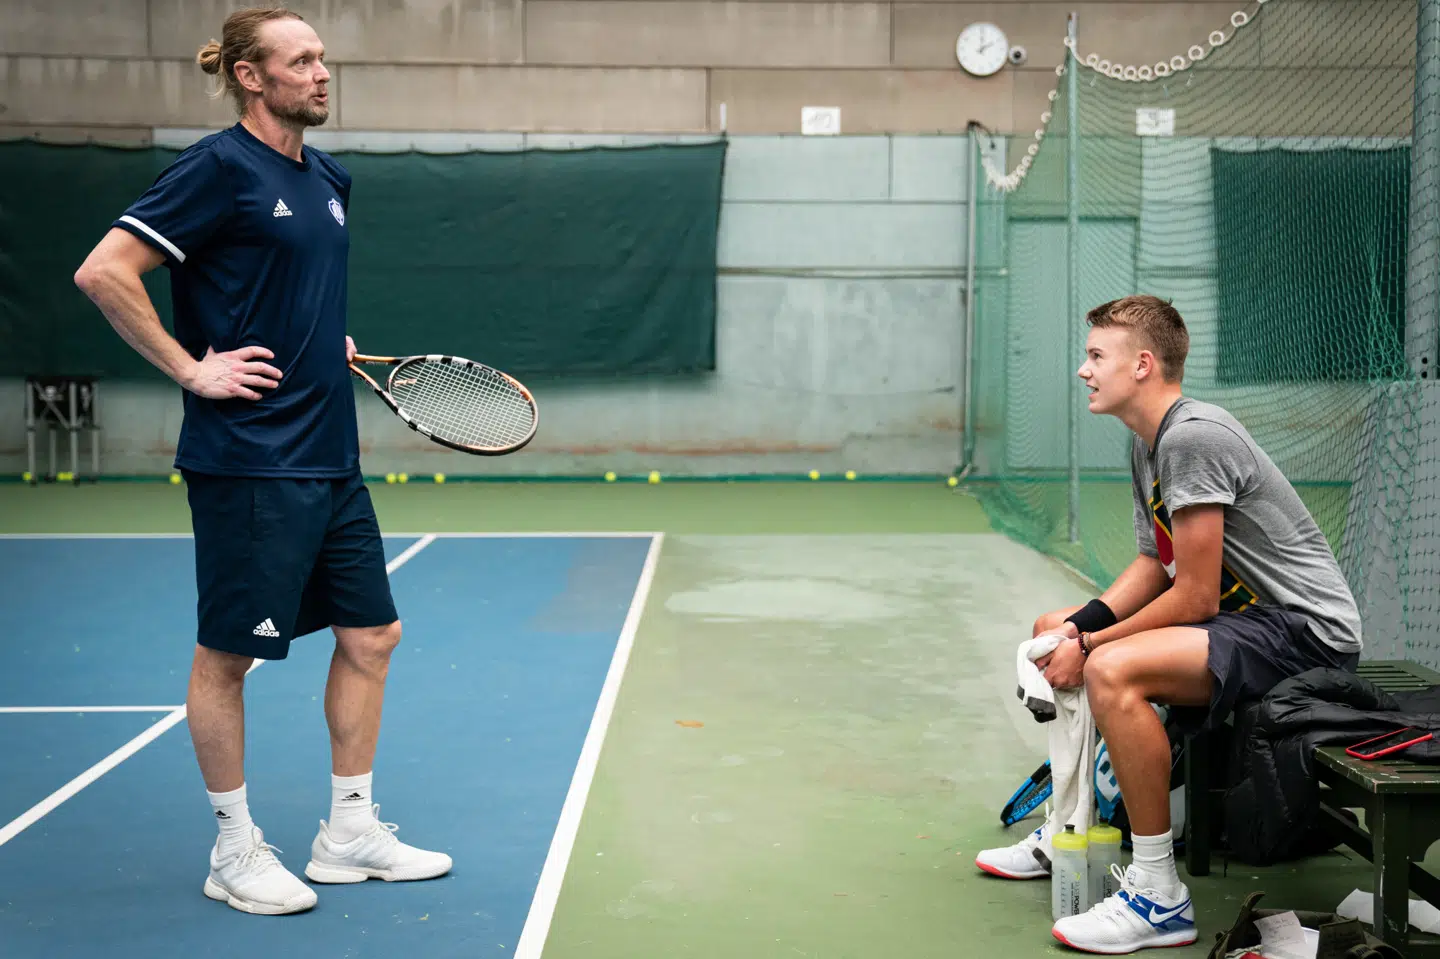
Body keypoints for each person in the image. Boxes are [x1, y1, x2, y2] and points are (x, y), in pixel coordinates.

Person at [74, 6, 451, 916]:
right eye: (301, 60)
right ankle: (233, 849)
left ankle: (348, 832)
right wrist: (191, 367)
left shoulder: (327, 178)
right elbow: (103, 272)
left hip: (330, 453)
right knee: (228, 657)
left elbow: (289, 287)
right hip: (251, 459)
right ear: (251, 75)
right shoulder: (215, 169)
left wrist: (326, 337)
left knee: (372, 636)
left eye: (325, 57)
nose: (322, 73)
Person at [974, 295, 1362, 954]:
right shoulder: (1147, 443)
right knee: (1053, 623)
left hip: (1304, 632)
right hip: (1247, 624)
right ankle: (1069, 824)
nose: (1083, 370)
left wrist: (1091, 643)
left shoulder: (1193, 436)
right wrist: (1075, 627)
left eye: (1097, 355)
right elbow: (1158, 562)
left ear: (1144, 364)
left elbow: (1196, 597)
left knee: (1110, 668)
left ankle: (1158, 895)